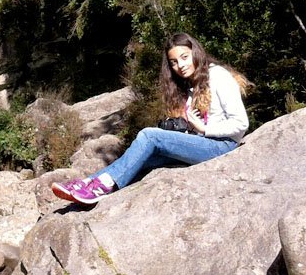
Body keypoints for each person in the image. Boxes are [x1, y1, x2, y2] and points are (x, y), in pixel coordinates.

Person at [51, 33, 251, 205]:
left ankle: (98, 187)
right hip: (204, 143)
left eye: (184, 57)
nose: (180, 65)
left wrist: (204, 129)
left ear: (195, 53)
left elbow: (241, 123)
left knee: (150, 136)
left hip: (222, 145)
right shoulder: (191, 86)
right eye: (174, 62)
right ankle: (91, 183)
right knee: (144, 157)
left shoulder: (219, 76)